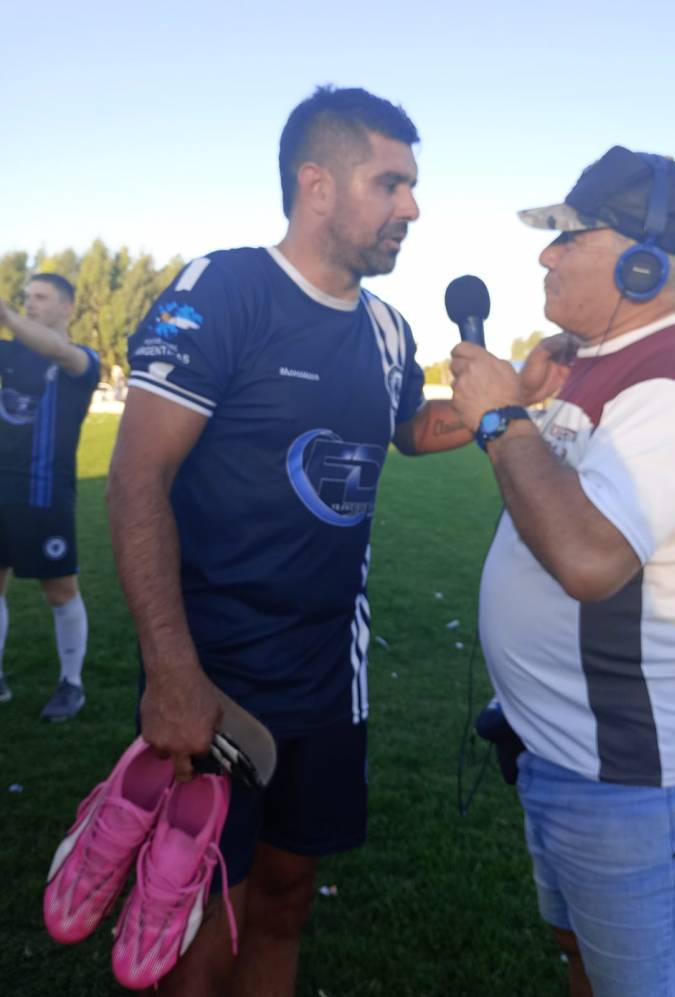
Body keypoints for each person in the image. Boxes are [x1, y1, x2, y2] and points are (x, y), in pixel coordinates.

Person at [106, 85, 472, 997]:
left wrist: (499, 400)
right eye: (391, 184)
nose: (413, 208)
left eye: (414, 186)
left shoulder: (388, 329)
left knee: (285, 892)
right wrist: (172, 672)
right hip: (214, 669)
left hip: (327, 677)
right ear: (317, 184)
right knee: (192, 914)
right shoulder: (226, 289)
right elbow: (136, 477)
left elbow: (406, 430)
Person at [450, 146, 675, 997]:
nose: (545, 255)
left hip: (626, 771)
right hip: (567, 745)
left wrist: (506, 417)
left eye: (567, 236)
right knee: (584, 954)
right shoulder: (599, 365)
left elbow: (587, 560)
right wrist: (530, 402)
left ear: (642, 262)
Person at [0, 274, 99, 719]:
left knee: (59, 590)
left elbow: (57, 349)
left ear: (67, 308)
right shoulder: (12, 353)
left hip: (46, 495)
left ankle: (71, 683)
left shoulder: (82, 361)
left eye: (40, 298)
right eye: (26, 299)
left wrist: (5, 315)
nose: (30, 305)